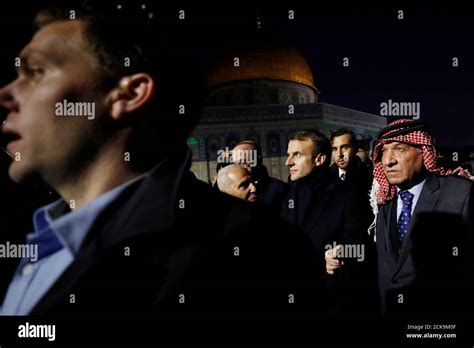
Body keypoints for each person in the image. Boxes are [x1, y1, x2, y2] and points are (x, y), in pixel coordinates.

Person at [0, 5, 315, 316]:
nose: (6, 93)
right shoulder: (38, 239)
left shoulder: (253, 255)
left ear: (130, 94)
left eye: (37, 72)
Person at [326, 119, 474, 318]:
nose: (388, 161)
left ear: (424, 150)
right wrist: (346, 252)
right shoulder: (385, 198)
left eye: (400, 149)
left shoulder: (462, 194)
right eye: (384, 151)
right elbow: (384, 256)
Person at [282, 130, 376, 317]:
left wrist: (342, 251)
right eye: (288, 155)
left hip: (332, 301)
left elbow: (362, 247)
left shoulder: (348, 194)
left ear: (319, 159)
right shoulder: (287, 195)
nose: (288, 162)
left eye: (297, 155)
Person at [231, 140, 288, 210]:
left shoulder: (280, 190)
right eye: (235, 164)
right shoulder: (230, 190)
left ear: (259, 160)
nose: (238, 168)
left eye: (244, 162)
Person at [329, 128, 373, 196]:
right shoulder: (326, 177)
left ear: (355, 149)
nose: (339, 154)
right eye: (334, 149)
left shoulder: (369, 176)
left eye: (345, 147)